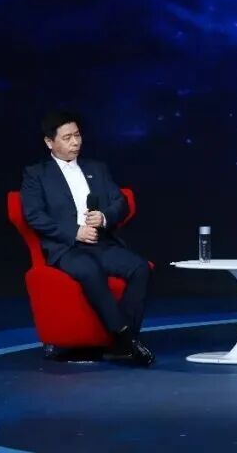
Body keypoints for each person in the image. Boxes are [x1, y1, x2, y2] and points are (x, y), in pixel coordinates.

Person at [20, 111, 154, 366]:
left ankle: (121, 345)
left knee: (140, 267)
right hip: (67, 248)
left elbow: (120, 202)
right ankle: (126, 338)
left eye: (78, 135)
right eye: (67, 137)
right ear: (49, 142)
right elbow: (34, 215)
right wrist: (75, 231)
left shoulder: (96, 168)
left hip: (101, 243)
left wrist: (104, 217)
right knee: (89, 269)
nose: (75, 142)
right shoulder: (36, 174)